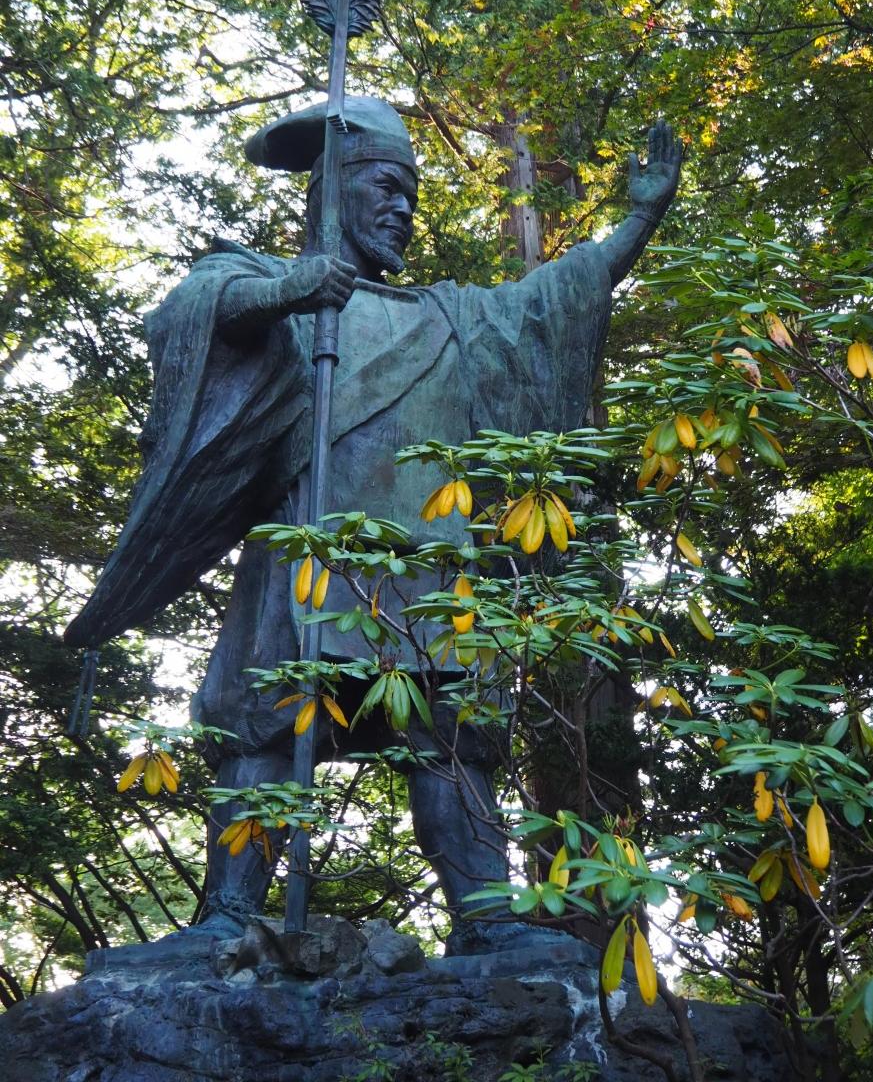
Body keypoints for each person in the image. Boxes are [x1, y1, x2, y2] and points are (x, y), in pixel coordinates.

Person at [64, 96, 681, 948]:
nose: (402, 210)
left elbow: (551, 302)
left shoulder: (448, 316)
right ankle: (229, 916)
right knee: (267, 733)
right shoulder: (271, 291)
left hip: (427, 571)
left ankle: (485, 917)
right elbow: (189, 312)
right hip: (304, 559)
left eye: (412, 197)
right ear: (332, 189)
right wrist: (288, 290)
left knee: (450, 741)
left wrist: (639, 220)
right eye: (386, 188)